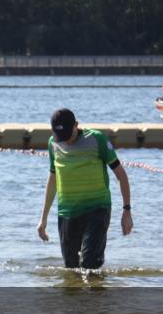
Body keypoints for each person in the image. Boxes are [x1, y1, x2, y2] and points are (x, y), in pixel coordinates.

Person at [36, 108, 133, 271]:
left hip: (97, 208)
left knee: (90, 265)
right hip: (67, 212)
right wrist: (43, 218)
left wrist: (127, 211)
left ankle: (98, 295)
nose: (65, 141)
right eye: (61, 137)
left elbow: (121, 175)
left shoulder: (97, 139)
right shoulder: (53, 143)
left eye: (68, 135)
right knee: (71, 270)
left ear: (76, 125)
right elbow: (53, 180)